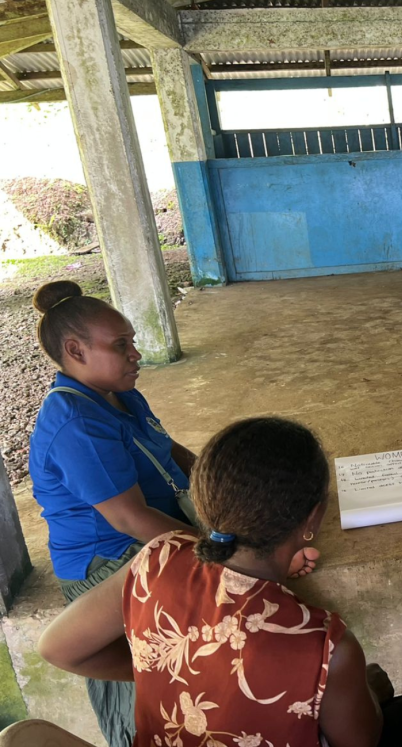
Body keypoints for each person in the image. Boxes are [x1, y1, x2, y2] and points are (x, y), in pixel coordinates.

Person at [39, 417, 402, 747]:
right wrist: (368, 692)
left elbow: (56, 648)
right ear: (312, 519)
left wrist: (175, 667)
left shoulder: (156, 558)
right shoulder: (325, 645)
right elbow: (360, 741)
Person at [28, 280, 197, 747]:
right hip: (110, 563)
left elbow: (168, 450)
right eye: (121, 345)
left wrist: (222, 485)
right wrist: (217, 551)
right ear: (75, 350)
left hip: (147, 540)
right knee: (156, 691)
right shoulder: (76, 422)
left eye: (132, 342)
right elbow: (131, 519)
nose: (135, 354)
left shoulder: (119, 395)